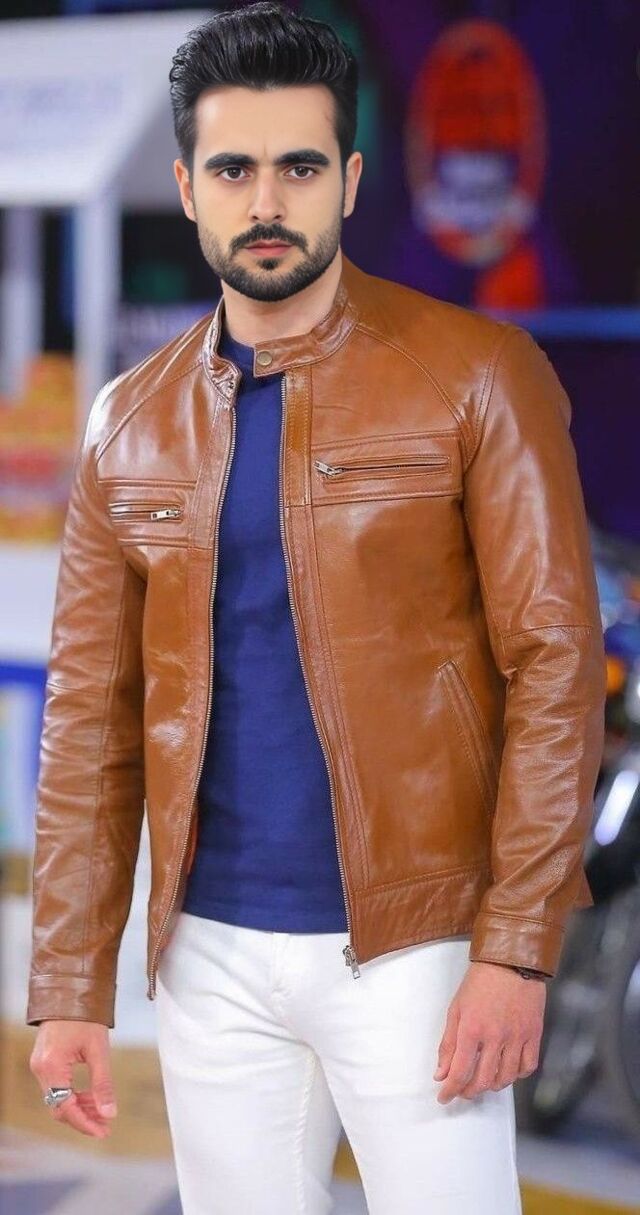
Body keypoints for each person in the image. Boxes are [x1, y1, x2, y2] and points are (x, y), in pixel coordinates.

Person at [26, 4, 606, 1212]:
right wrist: (70, 985)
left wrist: (513, 947)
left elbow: (555, 664)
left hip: (420, 945)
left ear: (347, 179)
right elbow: (90, 717)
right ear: (187, 187)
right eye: (233, 169)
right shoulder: (128, 422)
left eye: (298, 167)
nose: (266, 201)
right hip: (209, 956)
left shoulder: (476, 374)